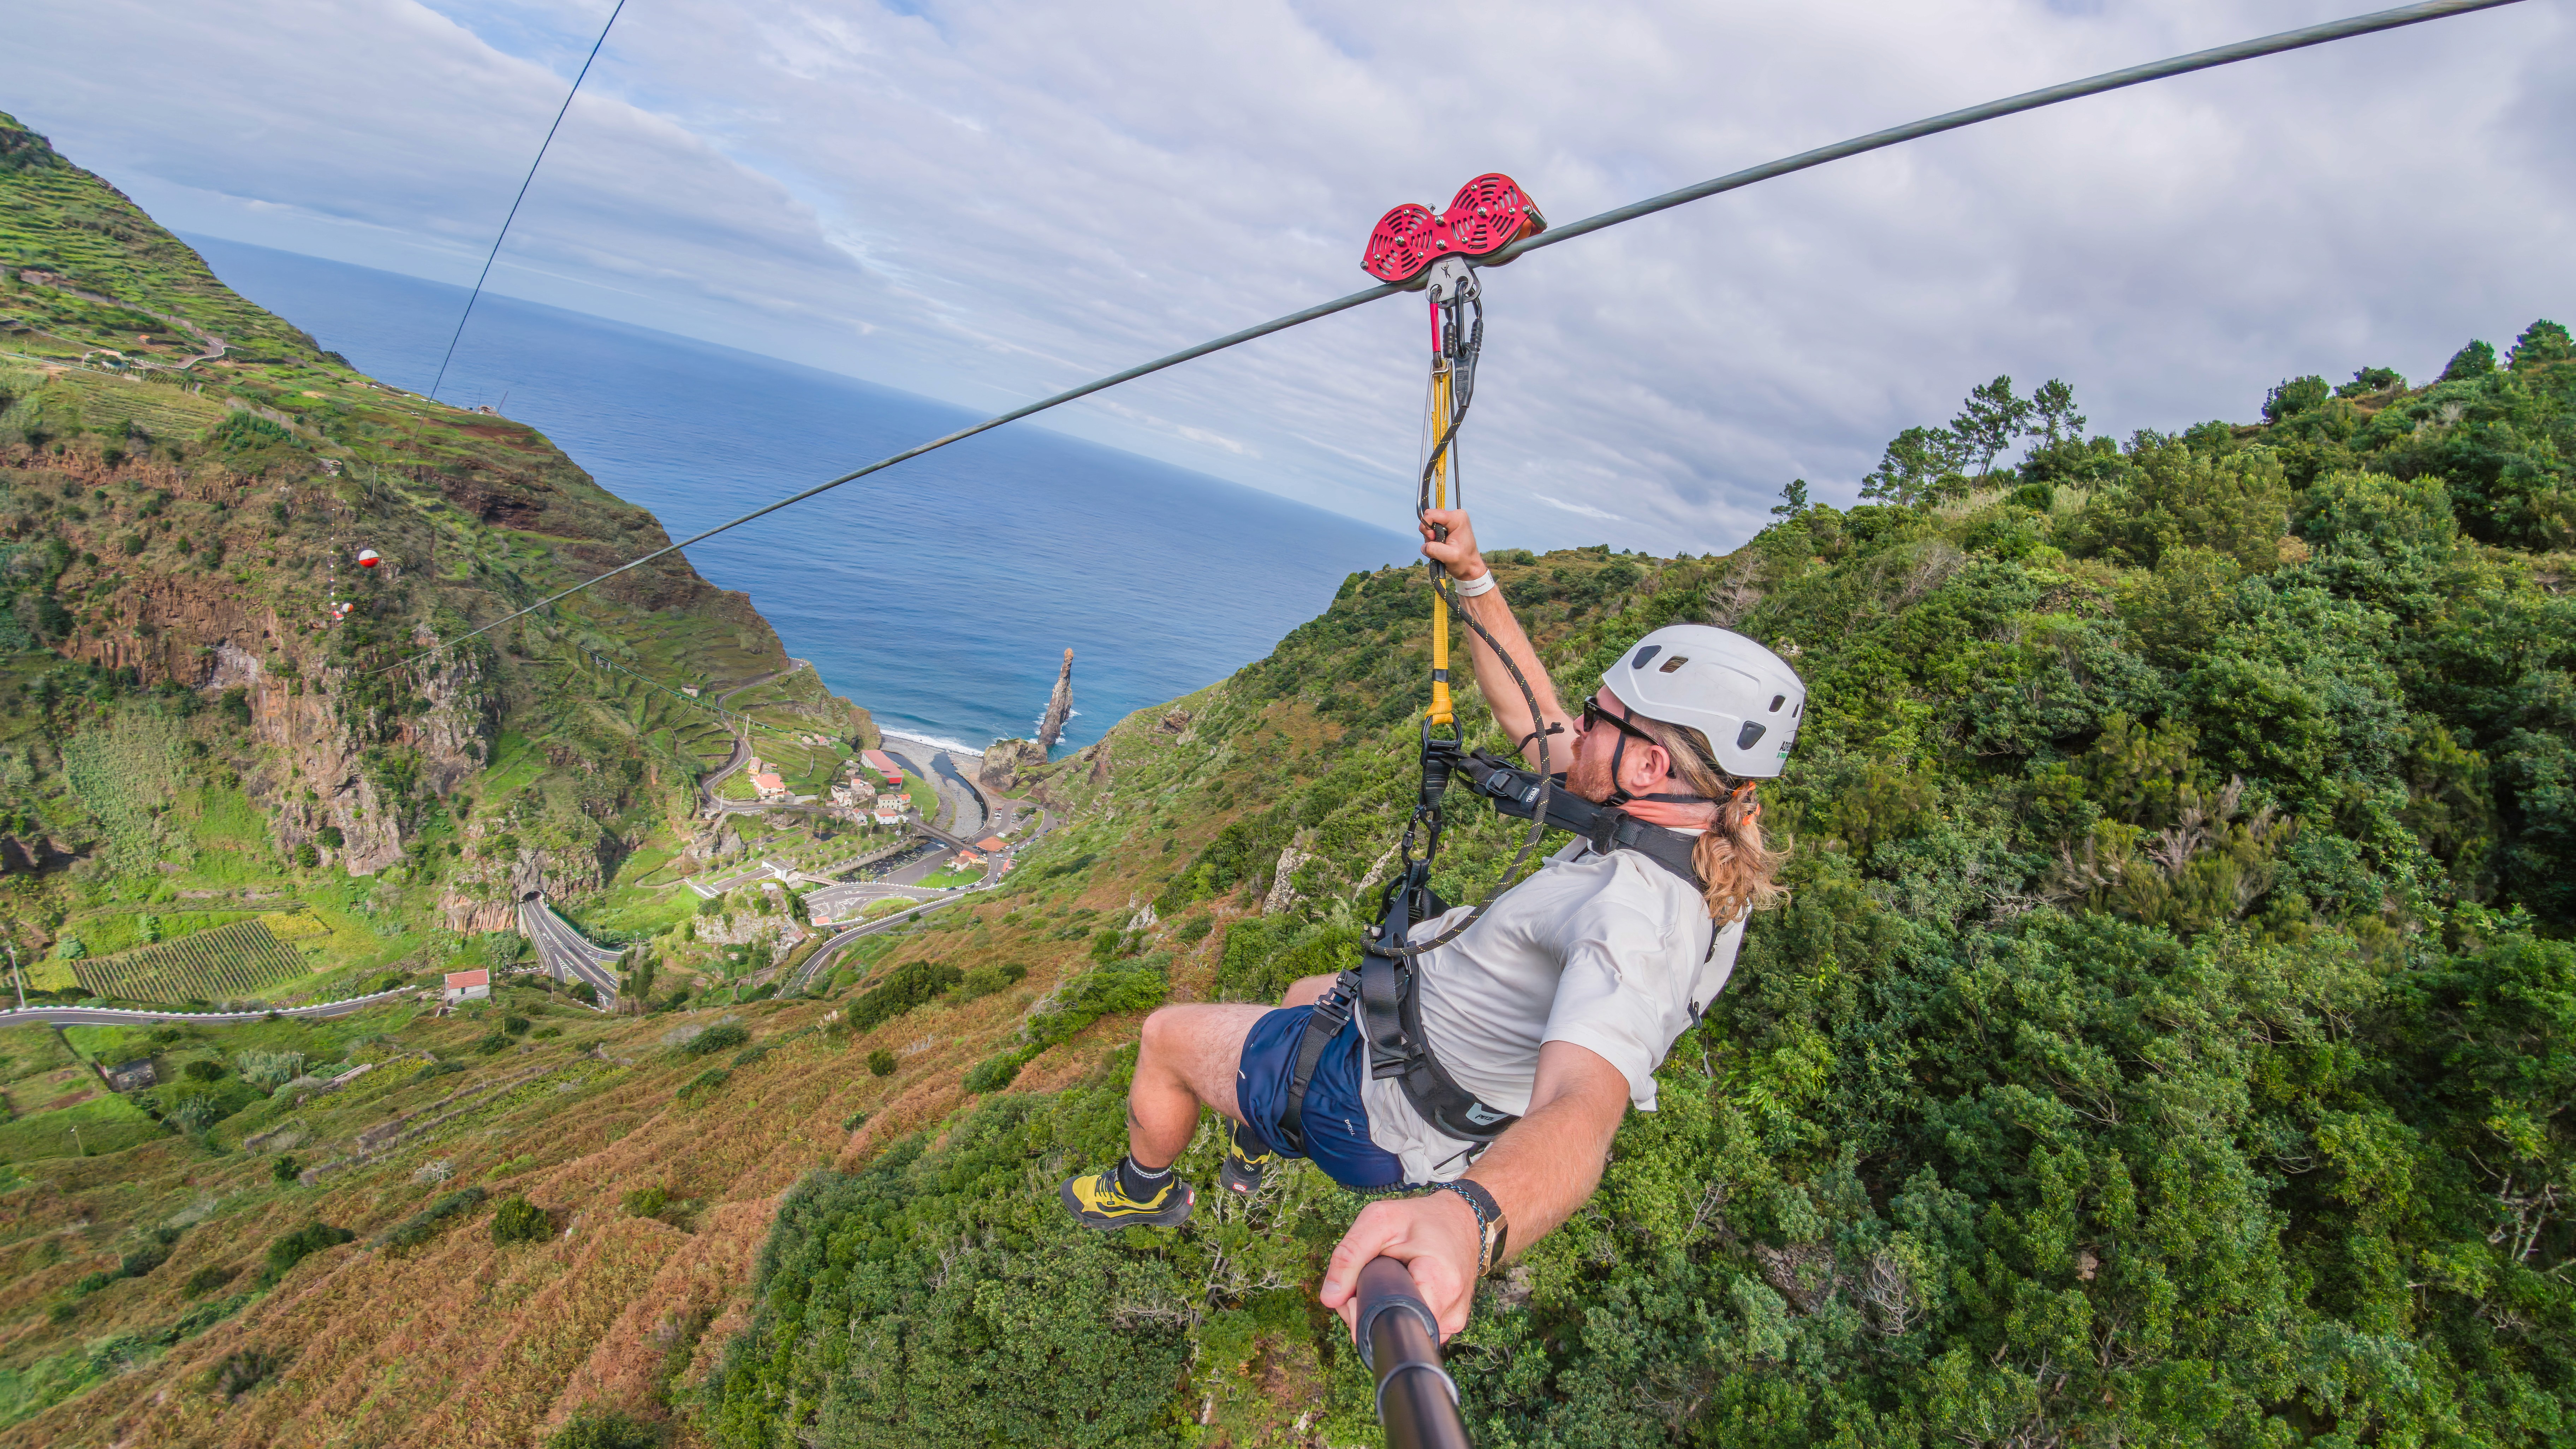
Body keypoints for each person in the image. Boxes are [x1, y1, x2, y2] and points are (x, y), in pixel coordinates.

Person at [1059, 507, 1804, 1339]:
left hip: (1375, 1102)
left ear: (1650, 764)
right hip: (1403, 1035)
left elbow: (1581, 1111)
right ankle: (1259, 1139)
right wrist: (1474, 579)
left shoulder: (1636, 922)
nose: (1577, 729)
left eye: (1601, 722)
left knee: (1165, 1038)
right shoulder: (1689, 840)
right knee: (1302, 992)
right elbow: (1535, 719)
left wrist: (1471, 1218)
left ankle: (1141, 1191)